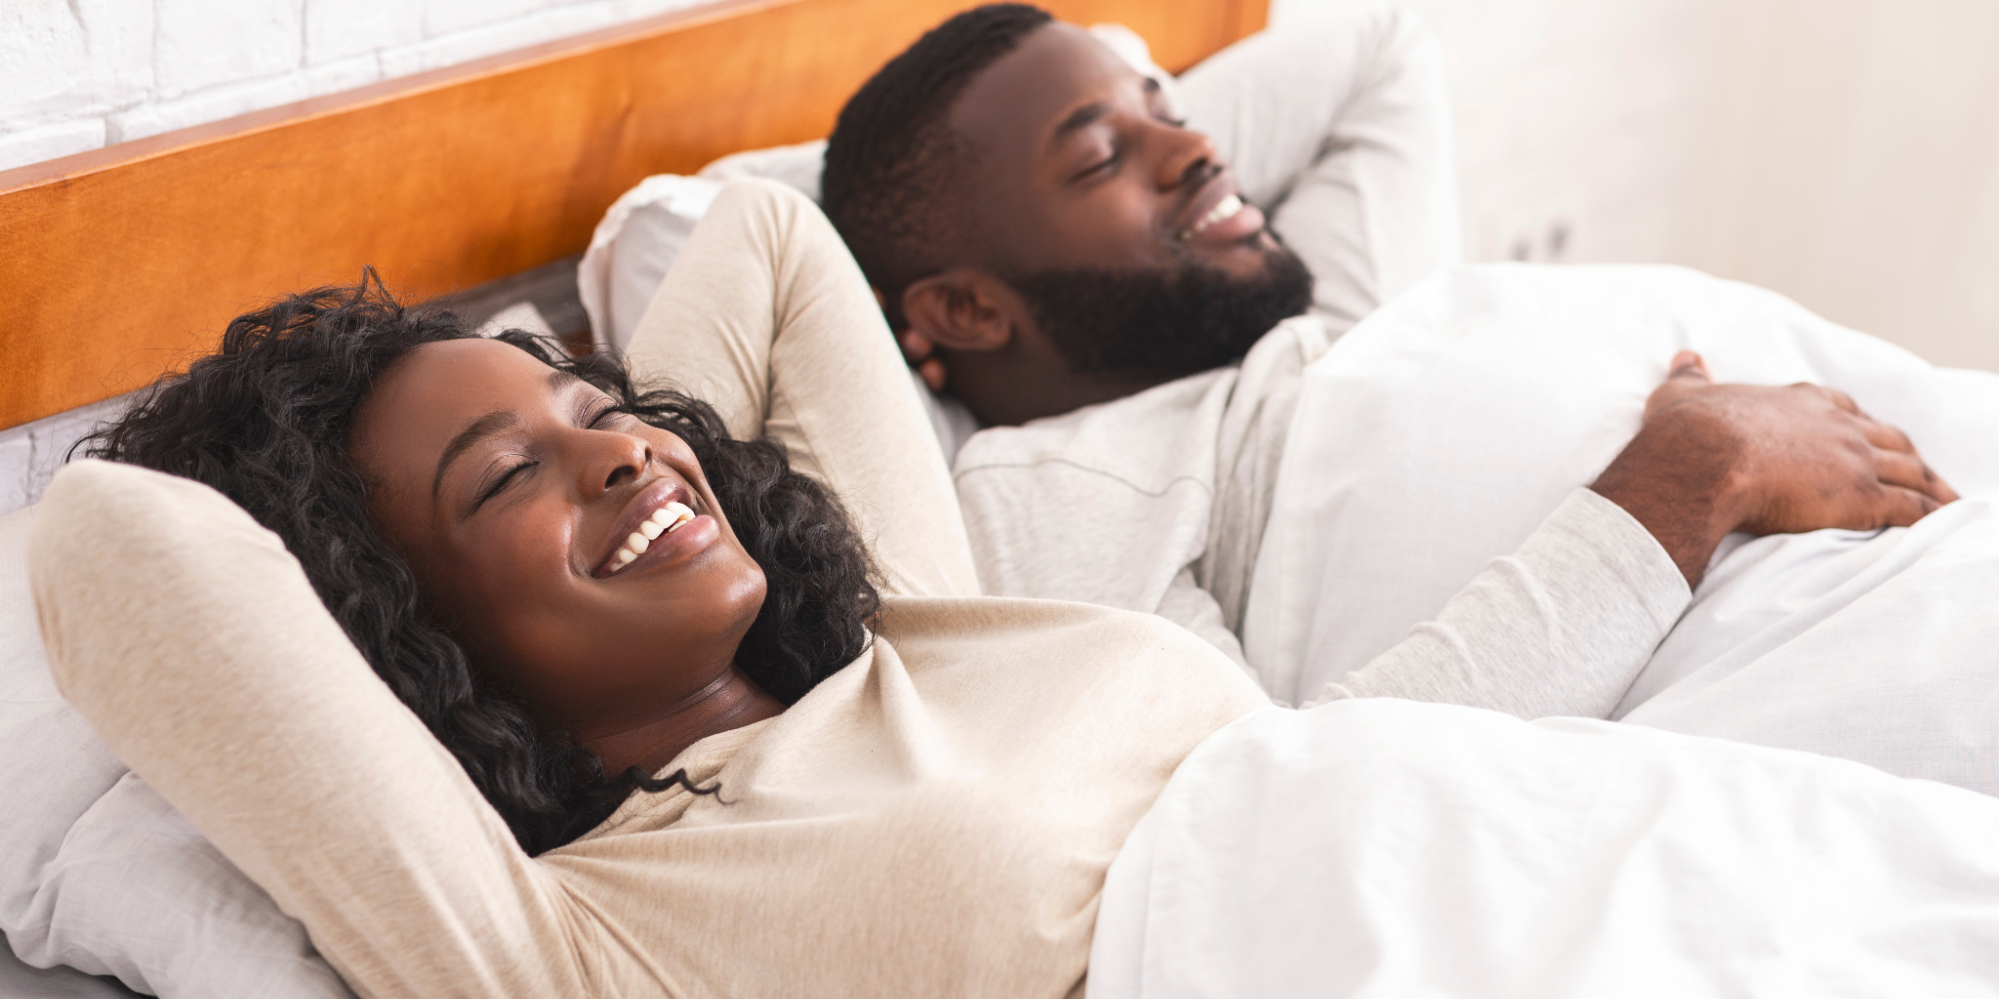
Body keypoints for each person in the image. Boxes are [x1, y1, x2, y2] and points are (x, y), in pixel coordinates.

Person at [34, 180, 1953, 995]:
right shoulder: (567, 943)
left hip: (1624, 855)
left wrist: (1657, 499)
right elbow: (108, 546)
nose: (621, 450)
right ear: (398, 643)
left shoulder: (903, 634)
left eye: (599, 406)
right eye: (501, 483)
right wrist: (315, 470)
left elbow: (768, 242)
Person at [817, 4, 1472, 670]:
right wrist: (1588, 539)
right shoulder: (1053, 495)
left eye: (1171, 114)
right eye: (1100, 158)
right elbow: (1263, 769)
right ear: (965, 307)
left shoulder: (1317, 324)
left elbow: (1379, 53)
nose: (1201, 149)